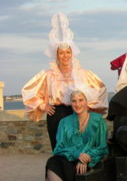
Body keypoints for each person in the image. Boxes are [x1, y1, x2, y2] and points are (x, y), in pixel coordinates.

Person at [21, 12, 108, 150]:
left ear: (72, 53)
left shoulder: (83, 74)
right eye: (61, 53)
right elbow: (28, 91)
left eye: (68, 52)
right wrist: (43, 105)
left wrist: (88, 107)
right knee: (60, 148)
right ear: (56, 55)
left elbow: (100, 91)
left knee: (79, 147)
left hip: (77, 113)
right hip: (57, 115)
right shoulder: (48, 75)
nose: (65, 56)